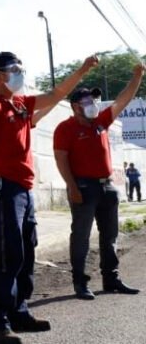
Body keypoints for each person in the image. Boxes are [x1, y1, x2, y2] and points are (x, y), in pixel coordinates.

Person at [0, 51, 97, 344]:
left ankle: (19, 311)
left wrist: (80, 71)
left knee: (26, 251)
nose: (21, 74)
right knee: (7, 252)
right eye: (15, 69)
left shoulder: (19, 104)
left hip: (24, 188)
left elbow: (55, 94)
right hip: (5, 186)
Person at [54, 65, 145, 302]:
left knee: (110, 236)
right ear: (75, 106)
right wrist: (72, 187)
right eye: (87, 101)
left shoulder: (101, 122)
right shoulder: (65, 128)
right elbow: (61, 159)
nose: (93, 104)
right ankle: (80, 283)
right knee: (81, 236)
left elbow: (124, 99)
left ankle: (111, 279)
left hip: (107, 188)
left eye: (94, 100)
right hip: (83, 188)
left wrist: (137, 76)